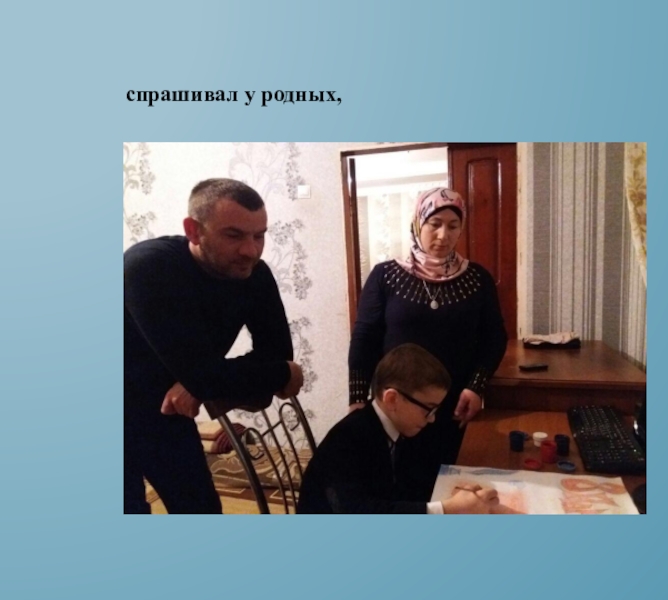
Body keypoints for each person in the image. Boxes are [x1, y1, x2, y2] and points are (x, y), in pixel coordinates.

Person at [124, 178, 304, 514]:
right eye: (234, 235)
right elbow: (215, 376)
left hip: (169, 409)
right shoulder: (148, 267)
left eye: (259, 236)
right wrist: (283, 373)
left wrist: (198, 382)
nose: (251, 250)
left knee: (201, 510)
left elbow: (277, 355)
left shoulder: (254, 274)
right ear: (193, 231)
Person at [348, 187, 508, 498]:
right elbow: (364, 339)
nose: (443, 235)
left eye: (453, 225)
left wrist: (475, 387)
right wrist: (357, 398)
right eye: (434, 224)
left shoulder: (478, 278)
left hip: (453, 411)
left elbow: (494, 338)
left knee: (449, 489)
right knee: (395, 491)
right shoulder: (385, 276)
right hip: (396, 409)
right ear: (418, 223)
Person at [298, 344, 499, 514]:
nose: (432, 419)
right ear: (392, 399)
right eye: (428, 409)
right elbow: (357, 512)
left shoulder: (399, 426)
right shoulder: (346, 440)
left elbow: (404, 486)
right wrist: (446, 509)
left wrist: (455, 494)